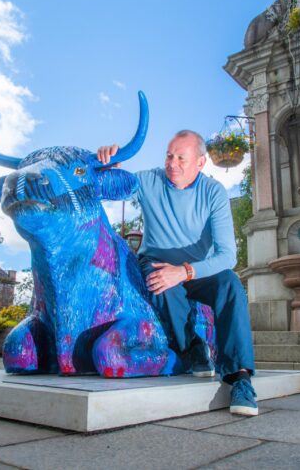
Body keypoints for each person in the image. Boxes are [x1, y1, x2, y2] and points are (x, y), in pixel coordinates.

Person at [97, 130, 257, 416]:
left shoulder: (213, 193)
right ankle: (193, 347)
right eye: (169, 156)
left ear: (200, 162)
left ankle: (239, 377)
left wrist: (185, 271)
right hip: (158, 260)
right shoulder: (150, 180)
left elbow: (227, 255)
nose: (172, 163)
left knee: (231, 284)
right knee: (161, 282)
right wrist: (110, 165)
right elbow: (110, 187)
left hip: (198, 269)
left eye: (181, 158)